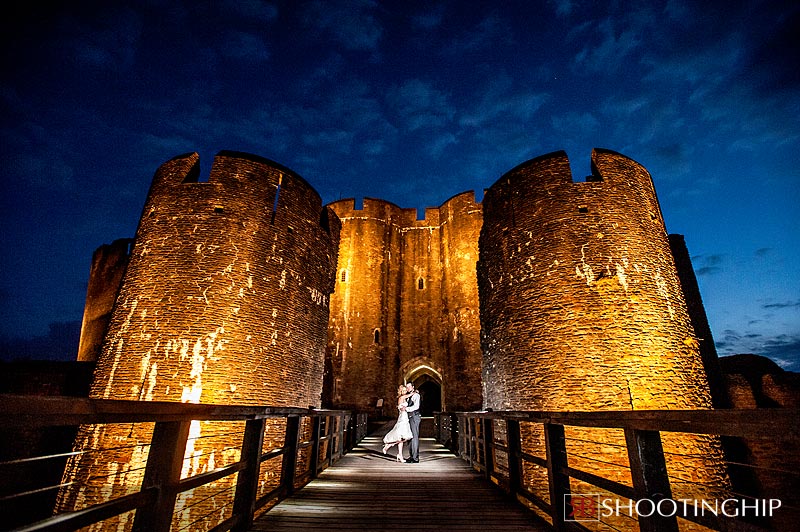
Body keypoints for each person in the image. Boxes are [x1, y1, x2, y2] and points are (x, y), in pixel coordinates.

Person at [382, 385, 413, 462]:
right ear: (401, 391)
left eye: (405, 390)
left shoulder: (404, 398)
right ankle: (388, 445)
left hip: (405, 417)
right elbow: (408, 396)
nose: (405, 391)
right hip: (402, 418)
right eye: (403, 390)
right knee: (401, 436)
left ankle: (399, 454)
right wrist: (414, 392)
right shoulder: (401, 398)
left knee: (402, 438)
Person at [404, 382, 421, 463]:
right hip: (409, 417)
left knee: (414, 437)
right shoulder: (408, 396)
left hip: (414, 416)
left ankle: (415, 457)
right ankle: (411, 456)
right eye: (407, 387)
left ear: (413, 387)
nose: (408, 388)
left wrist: (406, 409)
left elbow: (416, 406)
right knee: (409, 437)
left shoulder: (416, 395)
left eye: (409, 387)